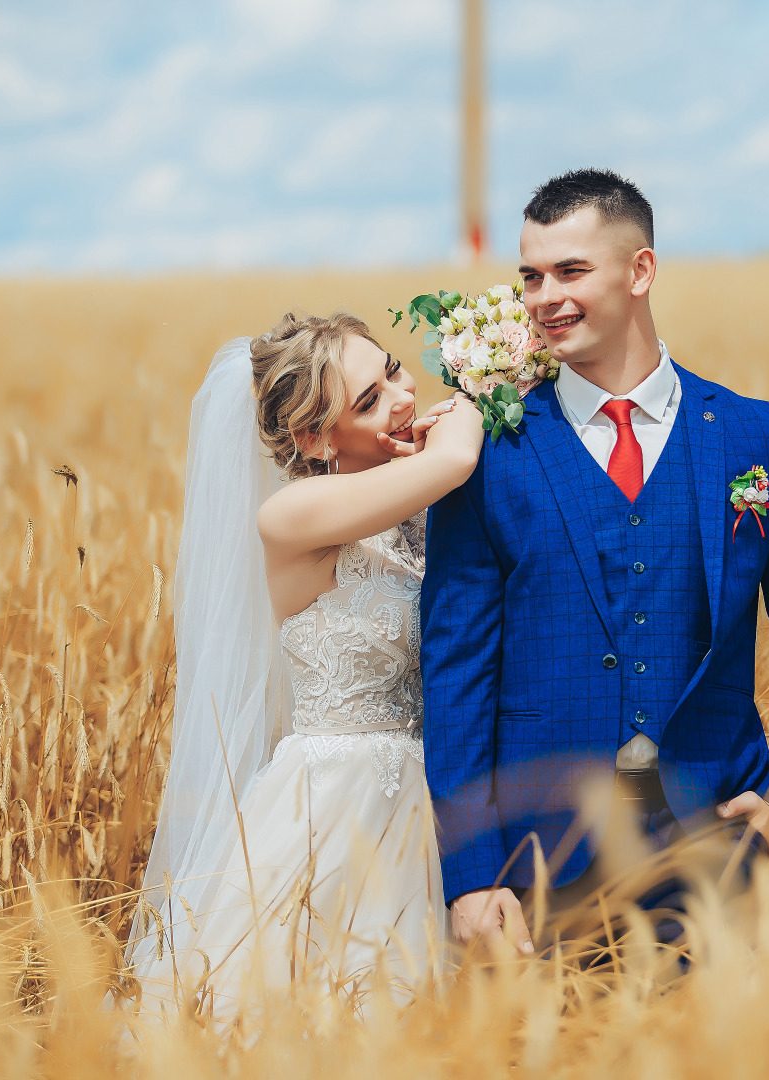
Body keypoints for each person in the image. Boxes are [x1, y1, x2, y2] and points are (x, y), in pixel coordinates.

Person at [421, 169, 769, 953]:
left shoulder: (762, 440)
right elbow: (454, 669)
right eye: (530, 276)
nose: (543, 297)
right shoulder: (485, 454)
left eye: (571, 271)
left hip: (719, 851)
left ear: (641, 270)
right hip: (536, 872)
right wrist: (473, 873)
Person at [124, 313, 483, 1019]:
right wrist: (483, 391)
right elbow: (457, 461)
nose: (404, 397)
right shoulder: (293, 515)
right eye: (369, 401)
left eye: (394, 370)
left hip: (434, 796)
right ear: (313, 440)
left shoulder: (417, 502)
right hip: (336, 803)